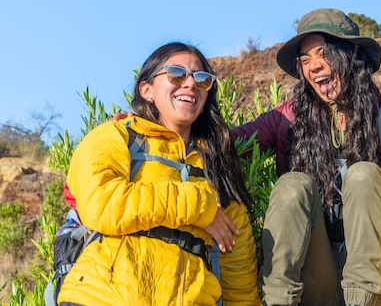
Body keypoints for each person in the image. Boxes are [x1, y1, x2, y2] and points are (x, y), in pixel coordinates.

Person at [232, 8, 381, 306]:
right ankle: (277, 302)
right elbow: (230, 144)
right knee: (292, 185)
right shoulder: (288, 118)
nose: (314, 66)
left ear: (351, 56)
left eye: (323, 53)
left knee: (363, 174)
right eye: (305, 60)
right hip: (322, 270)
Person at [57, 42, 260, 305]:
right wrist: (199, 206)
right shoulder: (114, 136)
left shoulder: (217, 167)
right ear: (147, 90)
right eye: (177, 74)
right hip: (102, 297)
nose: (190, 84)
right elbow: (102, 204)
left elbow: (238, 272)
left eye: (202, 79)